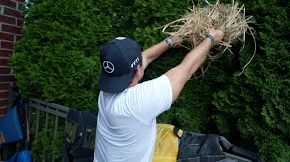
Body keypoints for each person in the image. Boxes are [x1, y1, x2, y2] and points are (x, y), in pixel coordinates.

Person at [94, 28, 224, 162]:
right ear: (138, 70)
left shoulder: (106, 90)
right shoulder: (134, 103)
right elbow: (185, 70)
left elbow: (143, 58)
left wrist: (169, 42)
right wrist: (211, 39)